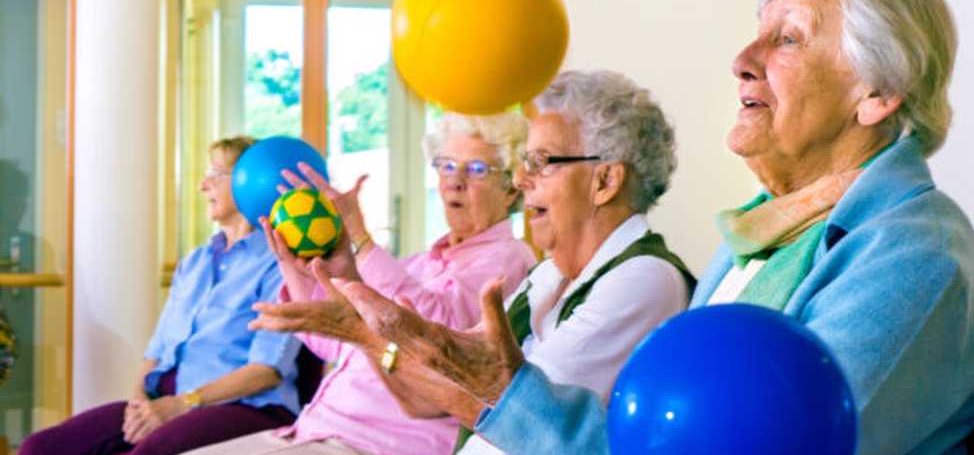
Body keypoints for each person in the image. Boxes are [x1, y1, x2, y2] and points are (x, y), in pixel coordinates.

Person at [255, 0, 974, 455]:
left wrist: (491, 385)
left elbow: (757, 443)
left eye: (789, 38)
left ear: (876, 94)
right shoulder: (764, 237)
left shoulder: (912, 247)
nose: (744, 56)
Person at [249, 71, 696, 455]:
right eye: (524, 163)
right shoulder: (548, 275)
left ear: (605, 180)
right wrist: (354, 312)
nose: (522, 180)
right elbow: (431, 394)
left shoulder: (642, 279)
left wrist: (362, 328)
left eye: (541, 163)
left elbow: (522, 414)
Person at [189, 112, 536, 455]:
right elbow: (337, 343)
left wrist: (362, 241)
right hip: (314, 431)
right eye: (446, 165)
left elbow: (431, 334)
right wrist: (294, 262)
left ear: (510, 189)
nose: (454, 180)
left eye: (476, 169)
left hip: (379, 443)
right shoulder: (417, 264)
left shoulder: (509, 258)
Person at [21, 136, 302, 455]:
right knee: (39, 448)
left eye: (215, 173)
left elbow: (266, 370)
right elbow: (156, 352)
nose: (202, 185)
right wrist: (139, 404)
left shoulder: (280, 266)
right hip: (167, 401)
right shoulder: (194, 263)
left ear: (248, 183)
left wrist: (183, 404)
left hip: (248, 408)